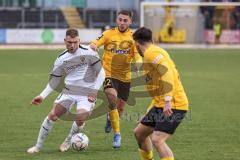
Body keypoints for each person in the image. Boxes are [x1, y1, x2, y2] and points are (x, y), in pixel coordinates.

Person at [27, 28, 105, 154]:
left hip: (87, 92)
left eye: (75, 42)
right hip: (69, 91)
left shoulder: (89, 52)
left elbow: (102, 73)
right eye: (69, 42)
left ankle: (69, 140)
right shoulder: (61, 58)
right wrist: (42, 96)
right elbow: (54, 81)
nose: (73, 45)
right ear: (65, 41)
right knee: (52, 115)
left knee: (80, 118)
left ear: (79, 40)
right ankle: (37, 146)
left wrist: (94, 91)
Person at [132, 27, 189, 160]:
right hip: (160, 105)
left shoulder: (151, 53)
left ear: (137, 44)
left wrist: (168, 100)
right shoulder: (154, 53)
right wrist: (149, 110)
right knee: (139, 133)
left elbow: (167, 72)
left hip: (175, 104)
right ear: (152, 39)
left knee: (157, 139)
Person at [90, 10, 141, 148]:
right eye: (120, 20)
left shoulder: (133, 37)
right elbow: (96, 41)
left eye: (125, 20)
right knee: (112, 98)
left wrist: (137, 64)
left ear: (130, 22)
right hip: (108, 73)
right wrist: (94, 45)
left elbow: (137, 55)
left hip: (125, 77)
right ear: (116, 20)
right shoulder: (108, 34)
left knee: (120, 108)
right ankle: (117, 134)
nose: (122, 22)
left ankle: (109, 118)